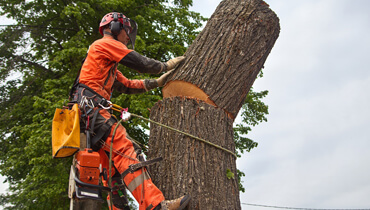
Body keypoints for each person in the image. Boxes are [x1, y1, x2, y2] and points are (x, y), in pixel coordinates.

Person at [70, 12, 190, 210]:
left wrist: (156, 83)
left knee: (111, 166)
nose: (128, 37)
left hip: (86, 114)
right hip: (92, 110)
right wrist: (164, 66)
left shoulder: (103, 58)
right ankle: (155, 205)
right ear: (115, 28)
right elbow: (141, 63)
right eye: (127, 32)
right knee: (126, 150)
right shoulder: (105, 44)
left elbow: (126, 84)